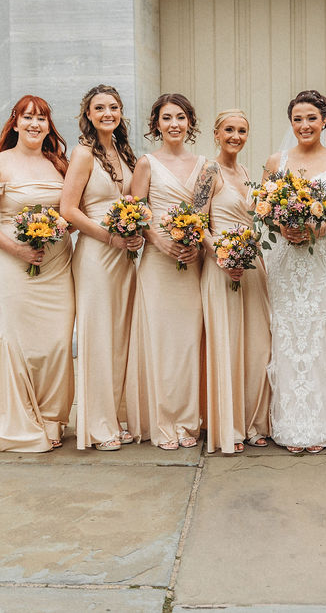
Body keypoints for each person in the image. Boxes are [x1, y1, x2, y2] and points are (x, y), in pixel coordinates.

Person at [0, 95, 74, 453]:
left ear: (49, 125)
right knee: (22, 343)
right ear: (16, 122)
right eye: (28, 117)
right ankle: (21, 418)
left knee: (57, 344)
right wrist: (20, 248)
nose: (35, 124)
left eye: (42, 118)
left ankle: (52, 418)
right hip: (13, 262)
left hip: (57, 263)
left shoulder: (60, 165)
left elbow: (73, 212)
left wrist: (59, 229)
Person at [261, 90, 326, 453]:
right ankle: (287, 423)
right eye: (298, 119)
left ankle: (317, 424)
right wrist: (282, 226)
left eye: (312, 118)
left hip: (323, 259)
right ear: (291, 123)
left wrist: (318, 228)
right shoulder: (276, 161)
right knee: (286, 332)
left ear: (325, 121)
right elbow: (263, 209)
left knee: (319, 332)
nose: (305, 125)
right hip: (286, 258)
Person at [61, 85, 143, 451]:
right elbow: (69, 210)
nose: (107, 113)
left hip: (124, 256)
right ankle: (97, 425)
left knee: (120, 337)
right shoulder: (82, 154)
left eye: (113, 107)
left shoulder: (124, 152)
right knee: (98, 338)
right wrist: (109, 237)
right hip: (95, 254)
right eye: (99, 108)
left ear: (121, 112)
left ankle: (117, 416)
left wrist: (135, 232)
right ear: (89, 115)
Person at [124, 93, 206, 450]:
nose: (174, 124)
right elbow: (136, 214)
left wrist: (195, 241)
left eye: (181, 117)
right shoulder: (146, 164)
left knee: (188, 341)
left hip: (191, 262)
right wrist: (158, 241)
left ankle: (189, 420)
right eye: (167, 118)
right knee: (160, 341)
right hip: (158, 262)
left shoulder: (206, 165)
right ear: (156, 124)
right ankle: (162, 421)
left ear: (190, 123)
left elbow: (203, 214)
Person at [194, 109, 271, 454]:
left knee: (257, 346)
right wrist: (221, 256)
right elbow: (197, 223)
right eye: (229, 129)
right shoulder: (208, 172)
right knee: (227, 344)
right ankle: (230, 426)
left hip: (252, 265)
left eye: (242, 130)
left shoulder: (245, 172)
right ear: (216, 133)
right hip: (220, 265)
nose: (235, 136)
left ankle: (255, 421)